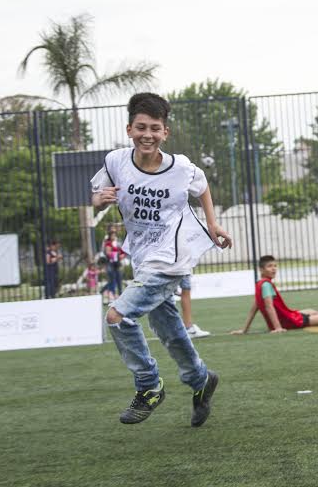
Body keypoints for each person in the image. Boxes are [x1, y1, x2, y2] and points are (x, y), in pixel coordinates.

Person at [91, 92, 232, 427]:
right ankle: (200, 380)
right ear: (129, 129)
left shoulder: (180, 167)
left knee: (117, 316)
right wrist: (100, 200)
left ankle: (149, 386)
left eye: (155, 128)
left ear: (165, 132)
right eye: (141, 127)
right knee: (167, 326)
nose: (148, 134)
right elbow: (97, 194)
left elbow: (202, 186)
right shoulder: (116, 162)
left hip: (172, 258)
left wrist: (211, 224)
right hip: (142, 257)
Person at [231, 255, 318, 334]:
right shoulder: (266, 285)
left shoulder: (260, 284)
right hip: (288, 322)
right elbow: (269, 307)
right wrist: (278, 327)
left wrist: (244, 330)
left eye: (275, 266)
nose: (274, 269)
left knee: (311, 311)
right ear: (261, 269)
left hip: (287, 316)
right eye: (270, 266)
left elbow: (254, 309)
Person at [100, 228, 124, 300]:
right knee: (112, 279)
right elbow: (107, 252)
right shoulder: (108, 243)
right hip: (110, 263)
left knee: (118, 279)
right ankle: (111, 294)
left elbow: (122, 252)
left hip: (117, 263)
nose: (113, 236)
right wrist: (113, 254)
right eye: (112, 234)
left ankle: (120, 294)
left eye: (114, 234)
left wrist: (121, 256)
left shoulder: (118, 243)